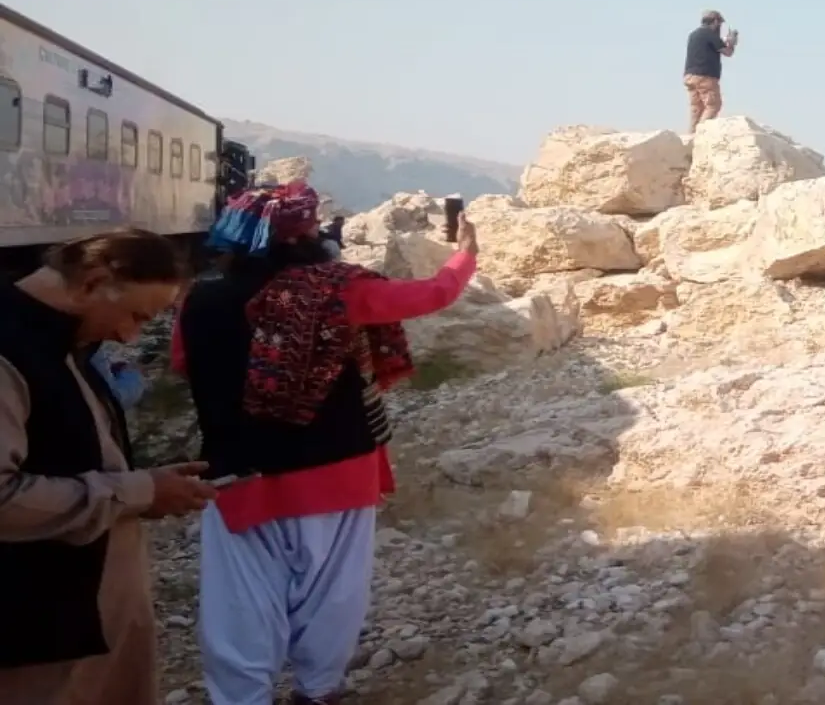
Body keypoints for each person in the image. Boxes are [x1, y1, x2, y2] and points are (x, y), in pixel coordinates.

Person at [173, 182, 480, 705]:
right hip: (337, 469)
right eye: (312, 225)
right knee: (332, 593)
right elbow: (432, 294)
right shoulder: (339, 290)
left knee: (241, 602)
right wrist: (465, 256)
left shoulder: (199, 299)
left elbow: (184, 365)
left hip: (237, 475)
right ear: (300, 234)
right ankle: (317, 692)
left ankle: (241, 696)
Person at [0, 229, 217, 705]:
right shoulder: (10, 350)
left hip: (86, 621)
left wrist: (147, 489)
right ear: (94, 281)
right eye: (136, 316)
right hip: (36, 638)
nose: (129, 336)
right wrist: (138, 492)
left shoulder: (61, 340)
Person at [683, 9, 739, 132]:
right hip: (705, 76)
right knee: (713, 106)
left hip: (690, 76)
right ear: (714, 21)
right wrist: (731, 42)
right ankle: (701, 134)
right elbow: (727, 52)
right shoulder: (710, 34)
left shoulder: (694, 34)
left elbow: (710, 47)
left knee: (696, 110)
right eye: (719, 23)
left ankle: (690, 139)